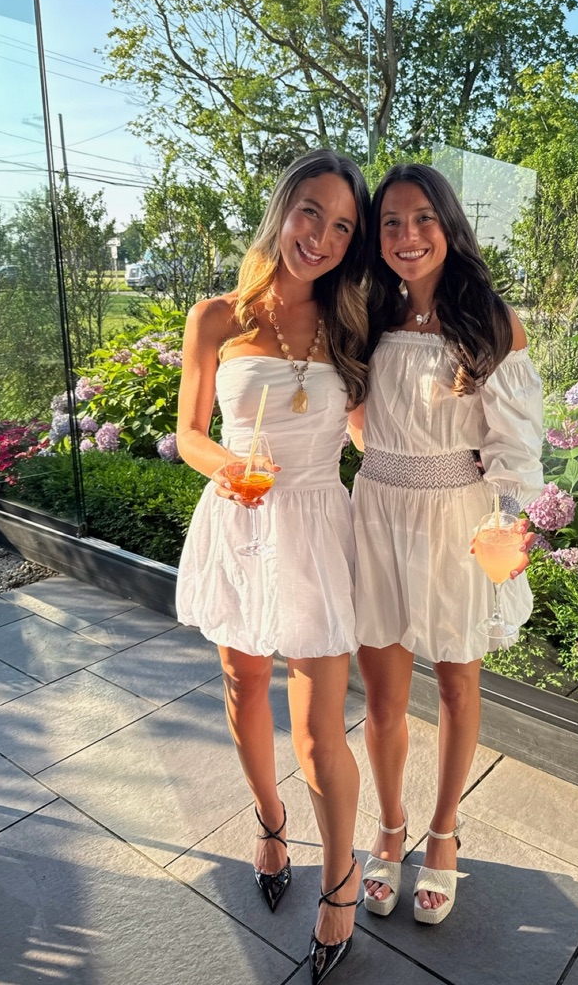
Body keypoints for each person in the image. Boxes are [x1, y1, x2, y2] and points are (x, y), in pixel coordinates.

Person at [175, 148, 369, 985]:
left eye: (342, 227)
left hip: (319, 526)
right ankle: (268, 821)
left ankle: (341, 879)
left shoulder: (352, 323)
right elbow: (189, 432)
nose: (321, 237)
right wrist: (227, 467)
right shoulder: (215, 317)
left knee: (322, 729)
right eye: (310, 212)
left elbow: (368, 433)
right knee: (242, 682)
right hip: (240, 516)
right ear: (283, 210)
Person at [350, 163, 544, 925]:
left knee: (459, 683)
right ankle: (389, 826)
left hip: (457, 516)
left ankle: (442, 831)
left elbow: (515, 445)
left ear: (449, 225)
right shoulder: (365, 314)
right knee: (383, 696)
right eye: (391, 222)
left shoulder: (491, 321)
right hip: (377, 511)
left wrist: (504, 519)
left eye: (423, 218)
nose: (407, 235)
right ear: (376, 237)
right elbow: (353, 413)